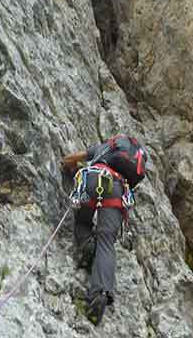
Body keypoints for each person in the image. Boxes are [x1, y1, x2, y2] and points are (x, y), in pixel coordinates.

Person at [62, 135, 147, 325]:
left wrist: (68, 166)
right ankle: (99, 292)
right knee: (106, 242)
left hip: (92, 179)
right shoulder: (129, 165)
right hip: (117, 191)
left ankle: (86, 244)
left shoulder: (104, 148)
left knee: (82, 222)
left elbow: (69, 159)